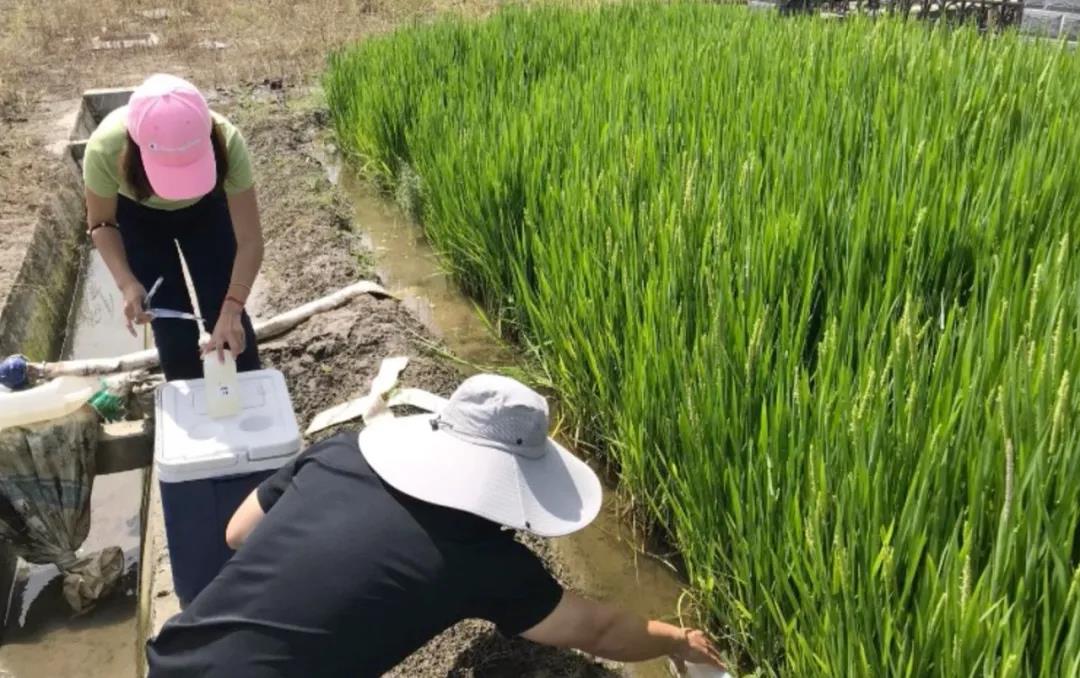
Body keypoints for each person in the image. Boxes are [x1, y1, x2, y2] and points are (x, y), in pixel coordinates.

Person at [146, 374, 728, 677]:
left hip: (174, 659)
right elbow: (596, 631)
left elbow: (238, 533)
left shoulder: (341, 453)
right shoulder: (480, 561)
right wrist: (677, 639)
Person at [83, 73, 263, 380]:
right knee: (171, 328)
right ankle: (187, 393)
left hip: (206, 212)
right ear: (136, 151)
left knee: (225, 313)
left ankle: (246, 388)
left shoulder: (228, 141)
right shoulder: (106, 149)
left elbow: (250, 240)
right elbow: (101, 223)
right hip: (140, 218)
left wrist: (233, 307)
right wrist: (127, 283)